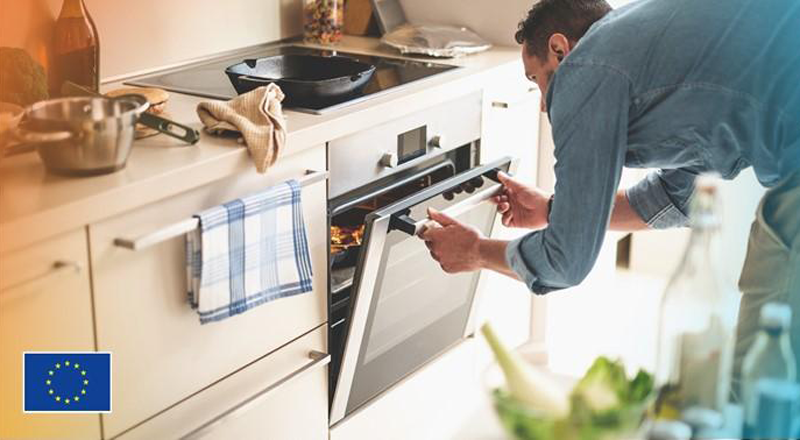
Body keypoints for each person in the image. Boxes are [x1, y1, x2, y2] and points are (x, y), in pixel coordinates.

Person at [420, 0, 800, 393]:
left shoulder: (585, 68)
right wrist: (555, 211)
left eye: (536, 80)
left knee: (758, 374)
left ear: (559, 49)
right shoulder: (647, 50)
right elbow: (677, 197)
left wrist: (477, 252)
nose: (543, 104)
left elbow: (566, 262)